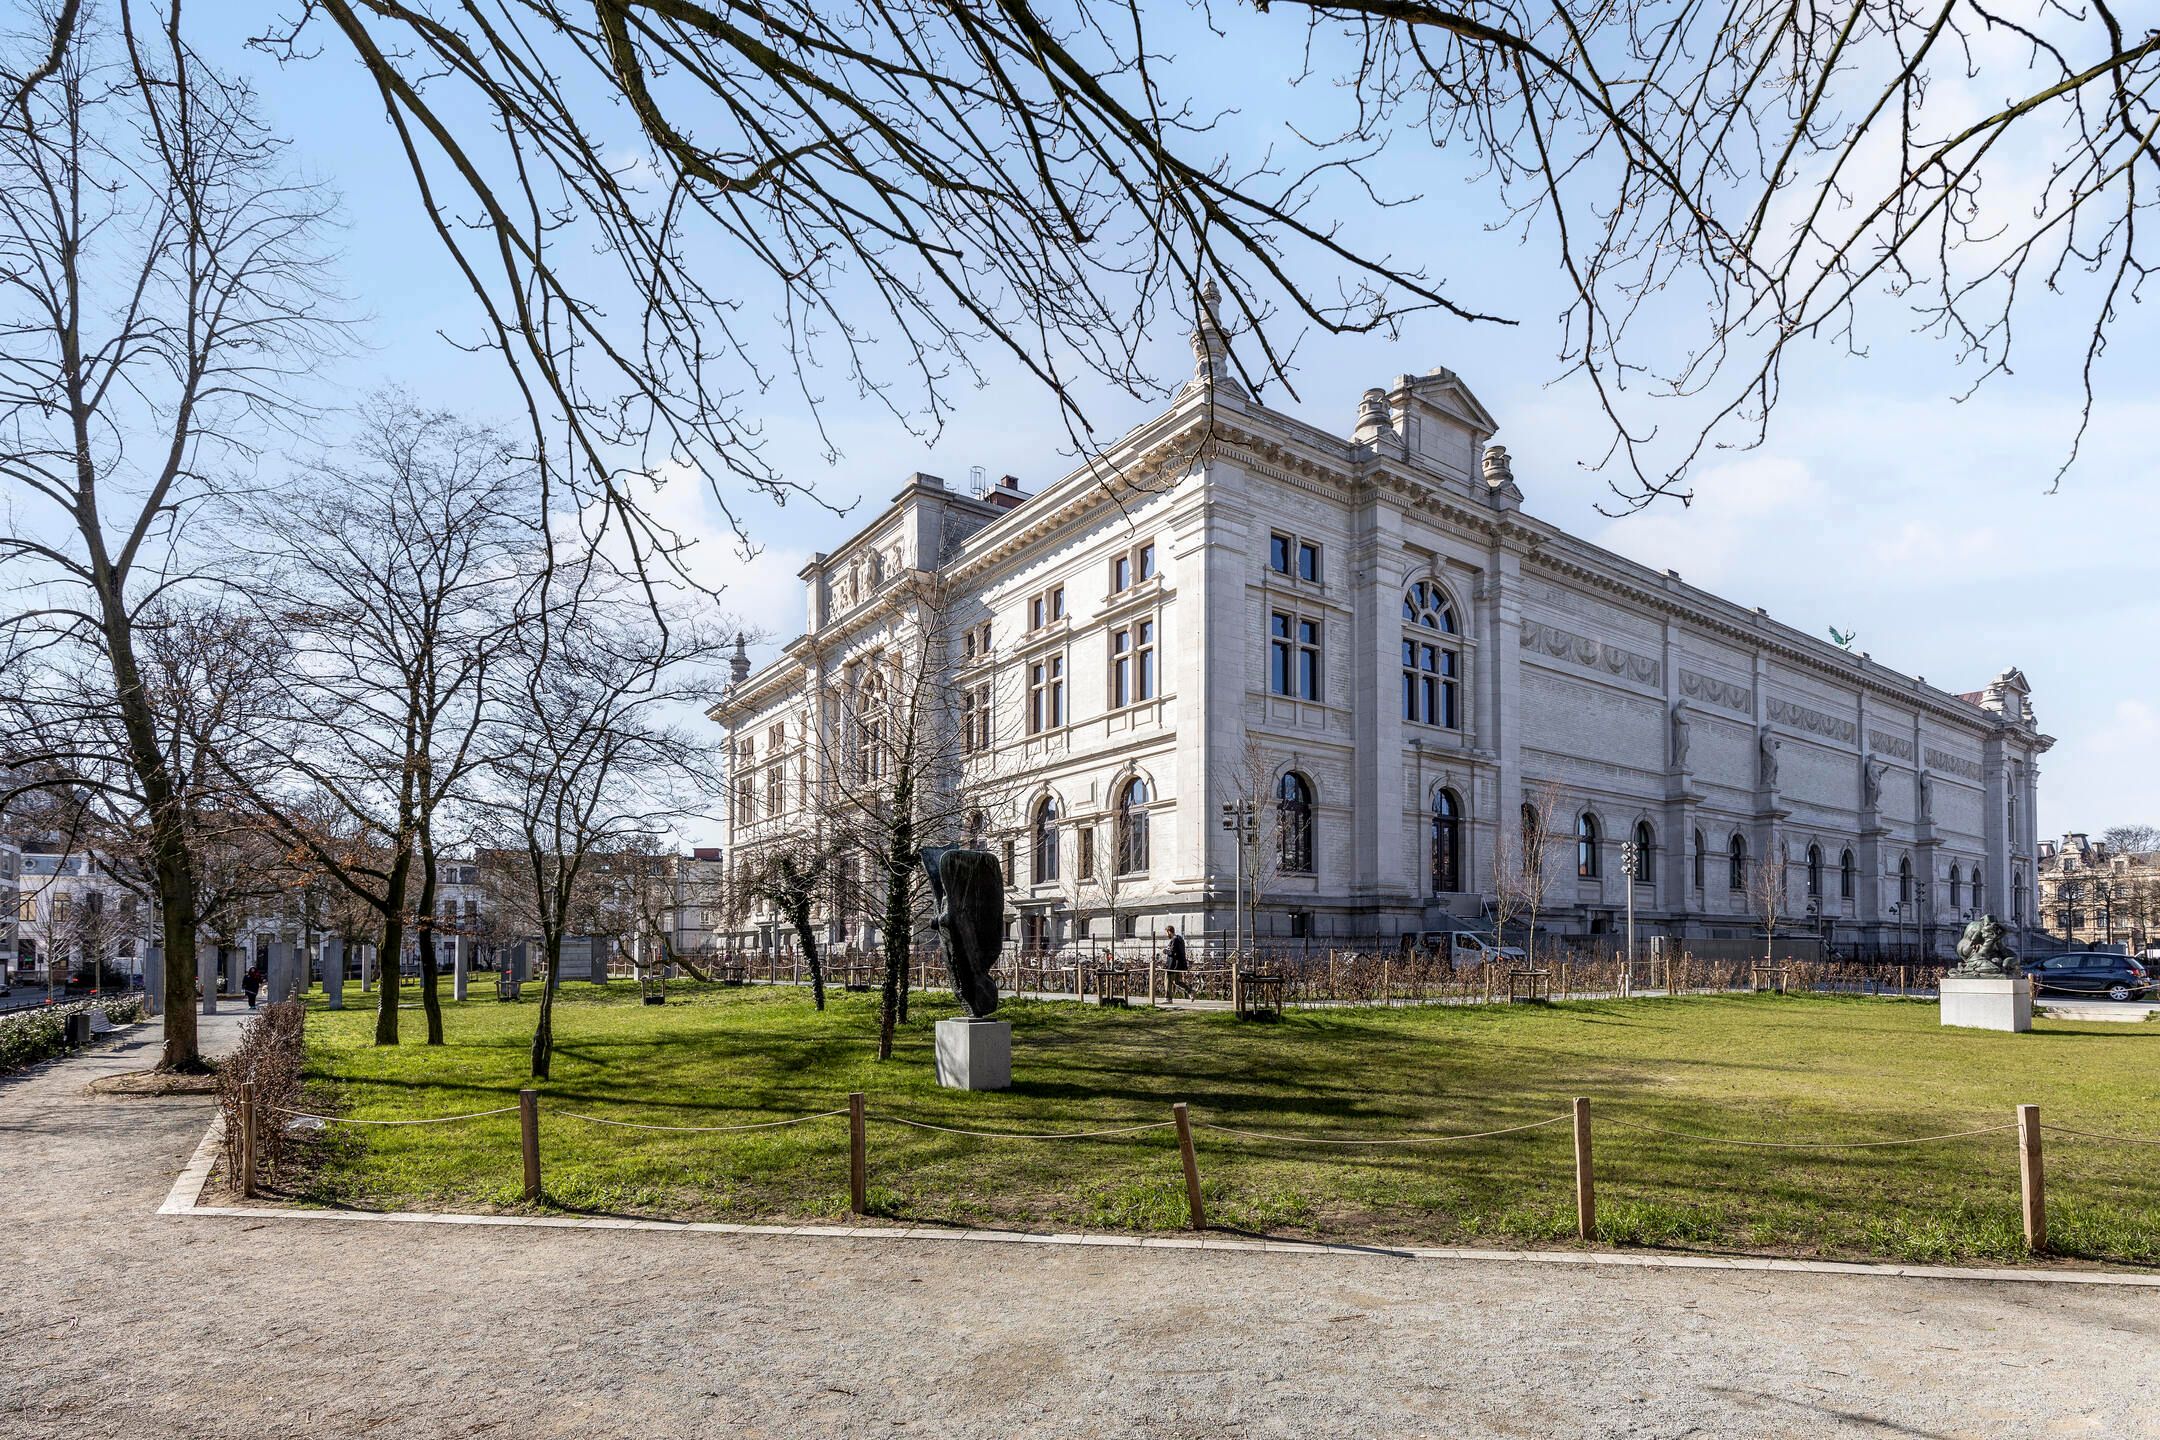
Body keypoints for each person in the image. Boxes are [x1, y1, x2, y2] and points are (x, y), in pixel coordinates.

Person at [1162, 925, 1193, 998]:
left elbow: (1172, 952)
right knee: (1177, 982)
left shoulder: (1174, 939)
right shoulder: (1180, 939)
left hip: (1173, 965)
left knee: (1168, 981)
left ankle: (1168, 998)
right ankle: (1190, 991)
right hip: (1178, 965)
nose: (1167, 935)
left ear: (1169, 931)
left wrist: (1165, 951)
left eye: (1167, 933)